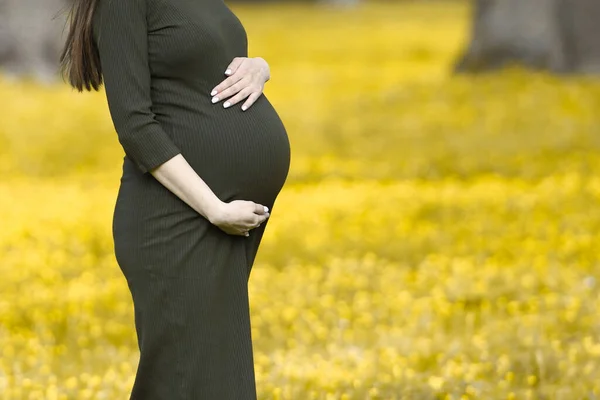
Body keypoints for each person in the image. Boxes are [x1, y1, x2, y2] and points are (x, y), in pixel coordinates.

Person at [59, 0, 291, 398]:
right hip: (172, 222)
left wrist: (260, 66)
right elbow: (134, 125)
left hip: (215, 223)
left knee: (215, 379)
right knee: (185, 380)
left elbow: (209, 62)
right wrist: (215, 208)